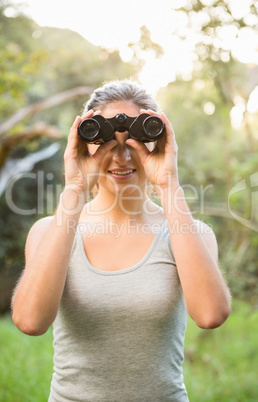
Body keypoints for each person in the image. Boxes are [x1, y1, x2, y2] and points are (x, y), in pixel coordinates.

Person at [12, 80, 231, 402]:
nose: (122, 157)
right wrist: (74, 187)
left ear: (157, 143)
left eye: (136, 141)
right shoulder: (50, 232)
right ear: (84, 143)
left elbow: (211, 314)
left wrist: (169, 184)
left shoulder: (189, 233)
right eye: (106, 143)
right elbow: (30, 321)